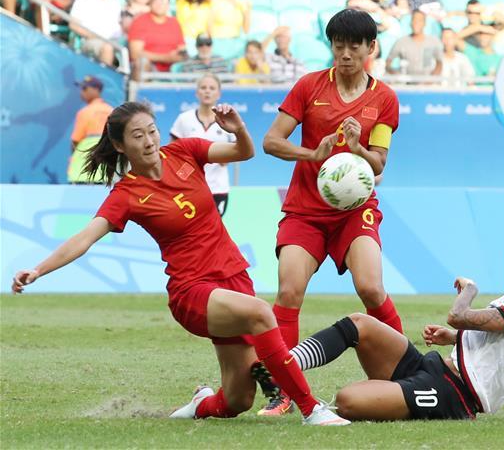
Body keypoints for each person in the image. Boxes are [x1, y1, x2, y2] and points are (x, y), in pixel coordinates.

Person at [11, 101, 349, 426]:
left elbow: (243, 153)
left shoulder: (185, 151)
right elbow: (84, 238)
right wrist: (38, 270)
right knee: (261, 312)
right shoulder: (126, 194)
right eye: (138, 135)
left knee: (237, 401)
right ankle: (312, 409)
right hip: (192, 291)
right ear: (119, 145)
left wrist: (238, 129)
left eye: (152, 130)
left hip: (233, 276)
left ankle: (201, 403)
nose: (149, 141)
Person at [259, 9, 403, 415]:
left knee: (371, 287)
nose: (345, 54)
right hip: (305, 211)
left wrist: (357, 149)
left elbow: (379, 162)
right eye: (338, 46)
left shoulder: (385, 98)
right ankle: (285, 391)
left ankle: (407, 372)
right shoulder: (309, 86)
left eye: (354, 46)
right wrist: (311, 154)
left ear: (371, 47)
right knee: (289, 290)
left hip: (355, 211)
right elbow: (271, 141)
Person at [277, 229, 504, 421]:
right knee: (359, 323)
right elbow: (499, 342)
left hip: (454, 395)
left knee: (347, 400)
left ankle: (364, 400)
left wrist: (469, 290)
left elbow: (458, 315)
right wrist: (453, 337)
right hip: (434, 369)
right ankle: (285, 365)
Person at [170, 75, 236, 216]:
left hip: (217, 189)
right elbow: (172, 154)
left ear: (219, 94)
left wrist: (214, 155)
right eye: (203, 87)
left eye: (212, 88)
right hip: (188, 189)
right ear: (197, 92)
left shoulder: (226, 121)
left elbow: (233, 156)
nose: (207, 91)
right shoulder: (184, 119)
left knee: (214, 228)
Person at [69, 0, 121, 67]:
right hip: (92, 40)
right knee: (107, 48)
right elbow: (73, 24)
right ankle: (105, 75)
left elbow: (119, 22)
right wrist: (91, 35)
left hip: (115, 39)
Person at [128, 0, 187, 75]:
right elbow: (135, 54)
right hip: (150, 67)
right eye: (156, 0)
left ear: (168, 4)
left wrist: (179, 56)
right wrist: (166, 58)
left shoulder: (174, 23)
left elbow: (182, 49)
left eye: (163, 1)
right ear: (150, 3)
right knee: (142, 63)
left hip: (173, 68)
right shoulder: (140, 22)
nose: (159, 4)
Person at [67, 75, 113, 184]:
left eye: (85, 88)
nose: (82, 92)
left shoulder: (85, 112)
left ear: (97, 90)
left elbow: (75, 142)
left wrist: (74, 158)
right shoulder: (112, 111)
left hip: (83, 174)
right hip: (106, 174)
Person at [385, 10, 443, 76]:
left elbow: (439, 63)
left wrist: (432, 79)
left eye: (419, 20)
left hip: (427, 81)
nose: (416, 22)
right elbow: (388, 62)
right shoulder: (401, 42)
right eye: (414, 19)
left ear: (424, 23)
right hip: (406, 81)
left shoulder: (433, 42)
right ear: (410, 23)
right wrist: (395, 74)